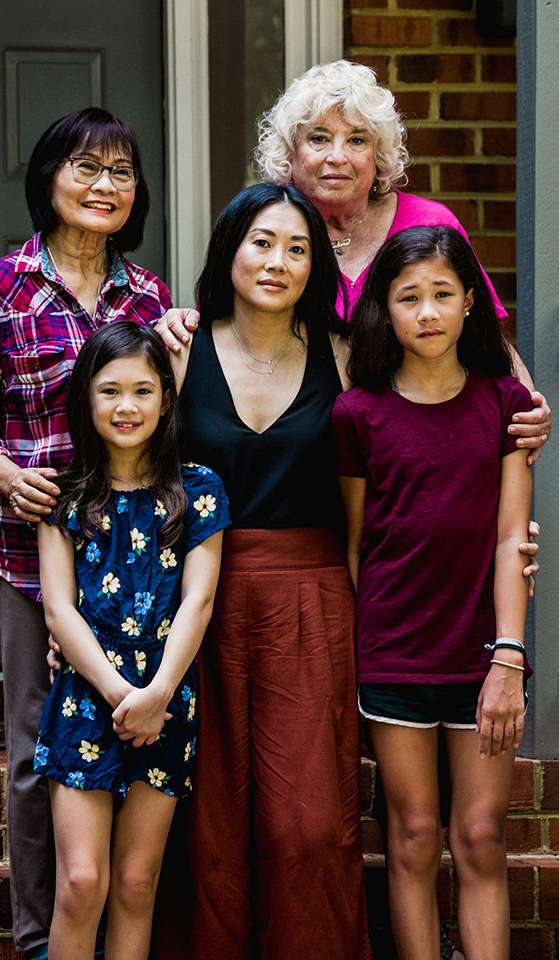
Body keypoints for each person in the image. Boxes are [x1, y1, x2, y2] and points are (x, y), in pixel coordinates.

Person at [0, 108, 171, 960]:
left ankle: (127, 929)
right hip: (29, 564)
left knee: (134, 740)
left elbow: (173, 419)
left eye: (121, 171)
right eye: (86, 167)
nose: (104, 184)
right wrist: (8, 474)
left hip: (135, 566)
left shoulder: (149, 299)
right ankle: (43, 939)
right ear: (49, 178)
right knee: (43, 756)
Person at [152, 183, 371, 960]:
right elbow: (136, 489)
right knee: (207, 820)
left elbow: (375, 496)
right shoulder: (177, 349)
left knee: (308, 821)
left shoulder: (345, 357)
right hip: (198, 604)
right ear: (230, 250)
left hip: (313, 604)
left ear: (317, 267)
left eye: (298, 247)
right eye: (262, 242)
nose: (277, 262)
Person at [159, 59, 550, 472]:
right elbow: (228, 329)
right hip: (301, 462)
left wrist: (526, 407)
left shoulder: (428, 225)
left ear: (379, 156)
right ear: (290, 154)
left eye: (357, 140)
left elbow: (483, 335)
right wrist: (182, 321)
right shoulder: (267, 228)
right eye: (319, 138)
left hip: (411, 459)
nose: (337, 157)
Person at [331, 225, 533, 960]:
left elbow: (514, 536)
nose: (427, 312)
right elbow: (358, 546)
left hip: (483, 652)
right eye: (408, 297)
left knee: (478, 836)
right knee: (413, 836)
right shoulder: (359, 414)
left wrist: (507, 660)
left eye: (443, 294)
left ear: (471, 304)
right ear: (385, 308)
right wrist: (366, 648)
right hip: (395, 656)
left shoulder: (506, 404)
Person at [35, 322, 229, 960]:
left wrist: (157, 694)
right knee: (82, 882)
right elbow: (60, 612)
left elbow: (199, 600)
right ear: (86, 402)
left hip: (167, 697)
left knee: (138, 882)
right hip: (87, 698)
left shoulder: (198, 491)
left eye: (143, 391)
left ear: (166, 400)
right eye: (110, 391)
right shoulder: (63, 496)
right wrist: (124, 695)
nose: (126, 407)